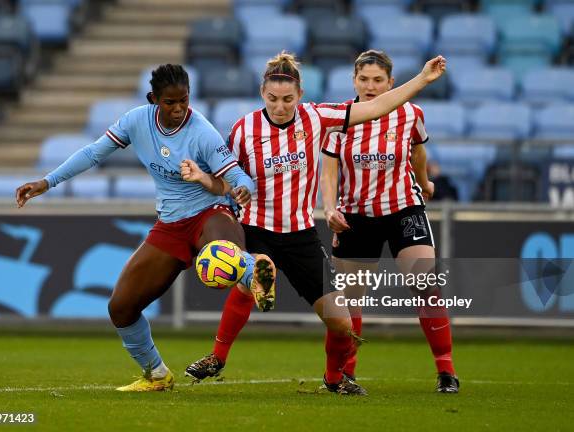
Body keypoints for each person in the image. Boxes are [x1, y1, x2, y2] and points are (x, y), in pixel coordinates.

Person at [184, 51, 446, 395]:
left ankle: (334, 381)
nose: (280, 107)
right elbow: (227, 181)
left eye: (288, 100)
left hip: (301, 236)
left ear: (300, 96)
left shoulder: (316, 118)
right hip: (257, 228)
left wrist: (423, 79)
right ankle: (218, 356)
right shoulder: (243, 129)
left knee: (342, 323)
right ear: (263, 93)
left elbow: (376, 107)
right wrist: (207, 179)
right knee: (256, 273)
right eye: (273, 99)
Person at [14, 64, 277, 392]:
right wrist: (47, 181)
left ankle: (256, 275)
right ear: (154, 99)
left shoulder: (202, 132)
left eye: (184, 100)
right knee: (121, 307)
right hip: (170, 225)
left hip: (211, 213)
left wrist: (241, 189)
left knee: (224, 253)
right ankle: (155, 374)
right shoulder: (136, 121)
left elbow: (239, 177)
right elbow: (94, 153)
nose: (179, 108)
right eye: (170, 102)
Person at [320, 50, 459, 393]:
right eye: (363, 79)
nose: (370, 86)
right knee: (349, 301)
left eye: (377, 79)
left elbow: (418, 151)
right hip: (355, 215)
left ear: (390, 82)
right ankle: (344, 374)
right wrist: (329, 207)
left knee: (424, 281)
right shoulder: (340, 119)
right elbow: (329, 168)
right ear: (354, 81)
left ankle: (446, 371)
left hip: (403, 208)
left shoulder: (410, 114)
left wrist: (425, 182)